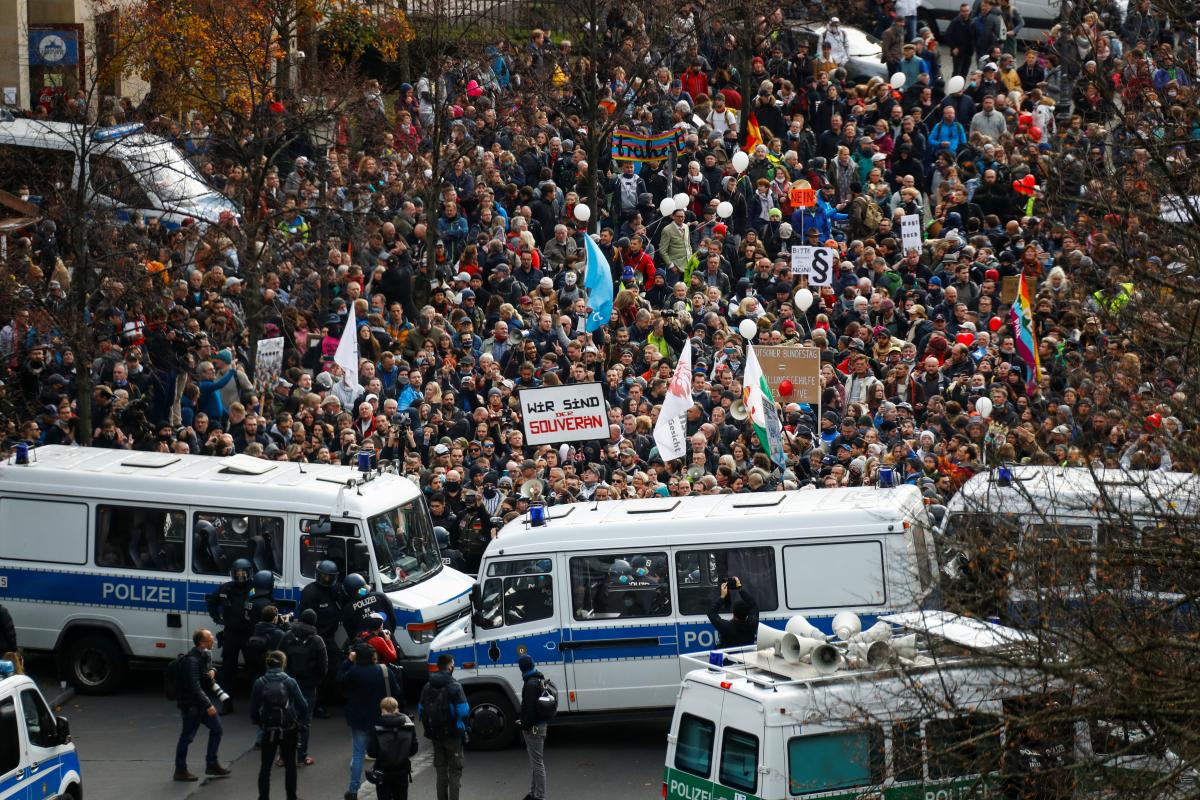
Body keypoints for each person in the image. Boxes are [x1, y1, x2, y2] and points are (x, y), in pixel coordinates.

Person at [338, 643, 403, 800]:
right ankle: (386, 785)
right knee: (383, 754)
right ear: (374, 656)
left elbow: (340, 681)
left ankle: (353, 789)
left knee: (358, 754)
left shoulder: (353, 672)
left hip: (359, 719)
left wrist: (348, 661)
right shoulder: (383, 670)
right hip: (382, 717)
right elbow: (396, 691)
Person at [174, 629, 232, 781]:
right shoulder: (191, 661)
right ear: (201, 643)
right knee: (187, 738)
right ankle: (180, 770)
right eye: (210, 640)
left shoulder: (204, 655)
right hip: (192, 706)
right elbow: (195, 686)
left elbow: (206, 673)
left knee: (217, 729)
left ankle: (211, 764)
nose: (213, 641)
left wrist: (212, 670)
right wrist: (208, 705)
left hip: (199, 704)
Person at [249, 650, 308, 800]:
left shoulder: (260, 682)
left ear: (267, 664)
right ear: (284, 663)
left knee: (265, 767)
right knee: (290, 765)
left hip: (269, 728)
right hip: (288, 727)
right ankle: (291, 796)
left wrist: (260, 723)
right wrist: (299, 721)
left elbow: (253, 709)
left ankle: (263, 797)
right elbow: (304, 705)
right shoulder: (290, 682)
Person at [278, 608, 328, 766]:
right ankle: (301, 756)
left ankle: (283, 757)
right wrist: (316, 681)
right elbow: (323, 666)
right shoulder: (317, 640)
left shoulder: (287, 636)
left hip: (288, 684)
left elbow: (278, 657)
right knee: (305, 722)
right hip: (308, 686)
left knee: (286, 719)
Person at [419, 653, 470, 800]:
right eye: (452, 663)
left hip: (435, 734)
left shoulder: (428, 685)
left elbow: (421, 708)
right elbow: (464, 711)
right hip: (453, 735)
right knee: (455, 772)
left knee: (441, 771)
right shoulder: (455, 686)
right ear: (449, 666)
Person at [206, 557, 255, 703]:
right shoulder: (226, 588)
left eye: (243, 573)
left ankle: (254, 701)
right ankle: (227, 703)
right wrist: (217, 619)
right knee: (228, 670)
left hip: (248, 634)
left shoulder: (254, 588)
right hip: (231, 635)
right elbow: (211, 603)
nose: (240, 576)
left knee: (252, 668)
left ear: (249, 573)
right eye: (237, 573)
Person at [298, 559, 343, 717]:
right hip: (316, 637)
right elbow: (306, 618)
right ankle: (317, 705)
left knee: (334, 669)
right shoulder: (310, 592)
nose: (326, 579)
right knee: (319, 672)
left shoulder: (335, 589)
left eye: (329, 576)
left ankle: (331, 698)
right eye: (324, 576)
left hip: (329, 636)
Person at [367, 697, 419, 800]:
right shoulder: (409, 726)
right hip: (402, 769)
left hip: (383, 771)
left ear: (383, 709)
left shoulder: (376, 728)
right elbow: (413, 749)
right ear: (397, 709)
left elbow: (371, 752)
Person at [518, 655, 551, 800]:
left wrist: (524, 725)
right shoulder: (538, 679)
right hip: (540, 726)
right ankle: (534, 793)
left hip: (534, 729)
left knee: (537, 764)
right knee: (534, 762)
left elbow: (530, 711)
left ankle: (540, 796)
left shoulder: (530, 684)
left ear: (522, 669)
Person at [706, 576, 759, 647]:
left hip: (730, 657)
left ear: (733, 612)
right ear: (747, 613)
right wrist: (740, 588)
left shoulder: (726, 627)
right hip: (747, 656)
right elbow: (753, 604)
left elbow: (711, 612)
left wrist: (722, 596)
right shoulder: (752, 625)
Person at [342, 572, 398, 639]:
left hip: (367, 647)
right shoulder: (380, 596)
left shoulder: (348, 609)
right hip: (388, 641)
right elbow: (393, 620)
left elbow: (351, 634)